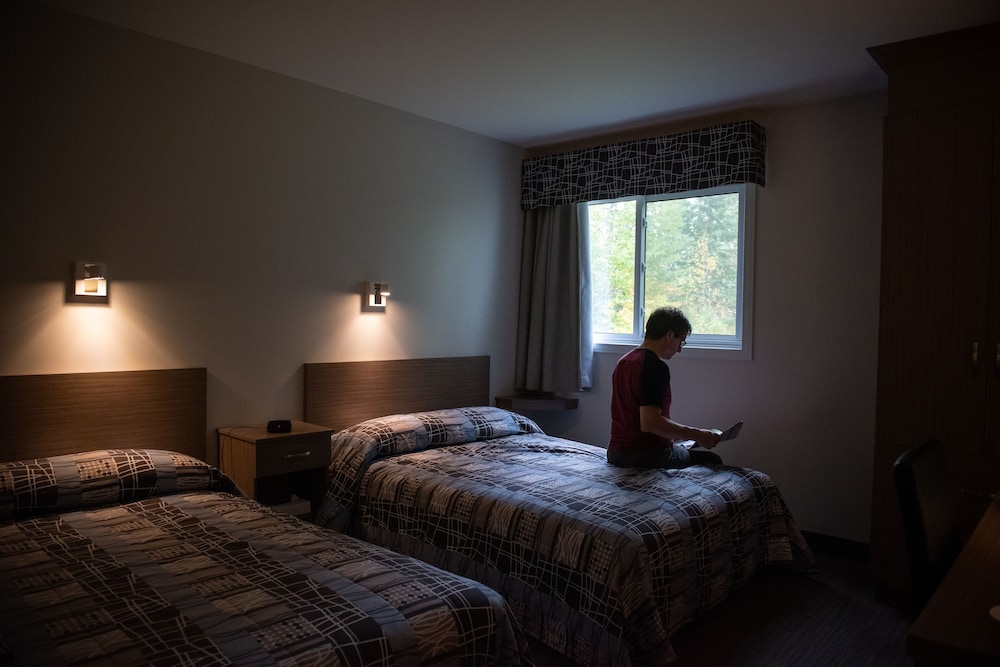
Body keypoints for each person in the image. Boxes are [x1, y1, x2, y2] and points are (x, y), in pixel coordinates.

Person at [607, 306, 723, 468]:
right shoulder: (654, 367)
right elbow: (650, 423)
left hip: (616, 453)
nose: (680, 349)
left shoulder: (624, 361)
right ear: (669, 335)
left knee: (683, 448)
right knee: (713, 460)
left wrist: (685, 435)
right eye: (681, 341)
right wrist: (697, 435)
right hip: (647, 455)